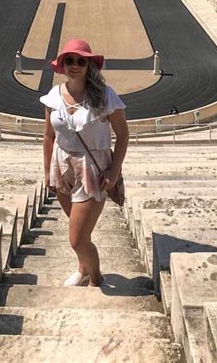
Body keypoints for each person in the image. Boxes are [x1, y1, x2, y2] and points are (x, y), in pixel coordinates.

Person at [41, 39, 129, 287]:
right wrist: (48, 172)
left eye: (81, 61)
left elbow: (123, 136)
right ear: (62, 65)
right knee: (79, 231)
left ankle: (96, 279)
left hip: (92, 168)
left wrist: (114, 171)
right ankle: (83, 268)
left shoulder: (105, 96)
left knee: (77, 239)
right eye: (69, 60)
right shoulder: (53, 96)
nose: (75, 66)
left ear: (90, 65)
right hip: (63, 167)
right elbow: (48, 136)